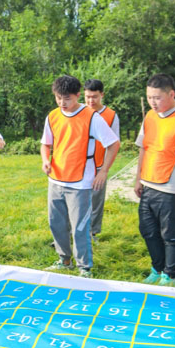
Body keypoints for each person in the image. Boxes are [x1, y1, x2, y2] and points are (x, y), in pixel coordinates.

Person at [41, 75, 120, 279]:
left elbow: (114, 144)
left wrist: (103, 171)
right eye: (58, 98)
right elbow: (45, 143)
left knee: (80, 227)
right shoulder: (52, 116)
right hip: (56, 179)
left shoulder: (92, 117)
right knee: (56, 223)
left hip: (81, 182)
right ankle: (64, 260)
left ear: (77, 96)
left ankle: (84, 267)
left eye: (66, 98)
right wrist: (45, 160)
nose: (62, 103)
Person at [135, 73, 175, 286]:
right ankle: (157, 268)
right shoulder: (150, 116)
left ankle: (170, 274)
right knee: (148, 230)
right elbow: (143, 148)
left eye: (157, 98)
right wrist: (138, 179)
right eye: (149, 97)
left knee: (171, 234)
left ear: (171, 94)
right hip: (148, 183)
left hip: (172, 187)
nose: (153, 102)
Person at [84, 79, 119, 238]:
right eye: (88, 97)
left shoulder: (111, 116)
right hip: (80, 166)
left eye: (95, 97)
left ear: (102, 95)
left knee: (96, 202)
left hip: (98, 166)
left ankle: (93, 233)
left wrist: (104, 170)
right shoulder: (80, 111)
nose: (91, 101)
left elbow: (114, 144)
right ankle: (69, 233)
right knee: (74, 202)